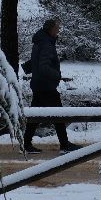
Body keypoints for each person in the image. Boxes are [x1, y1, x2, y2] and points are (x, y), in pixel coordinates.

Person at [22, 18, 74, 153]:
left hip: (39, 84)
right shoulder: (46, 44)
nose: (58, 31)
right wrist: (57, 75)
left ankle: (26, 145)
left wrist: (30, 66)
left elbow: (37, 61)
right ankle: (65, 145)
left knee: (35, 116)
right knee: (58, 115)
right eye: (57, 29)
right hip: (46, 86)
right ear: (50, 29)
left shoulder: (41, 41)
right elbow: (44, 66)